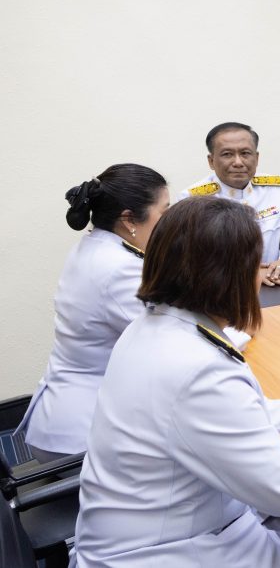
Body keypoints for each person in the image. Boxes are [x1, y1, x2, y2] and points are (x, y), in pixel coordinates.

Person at [71, 196, 280, 567]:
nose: (262, 275)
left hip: (153, 530)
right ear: (231, 276)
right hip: (166, 553)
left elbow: (223, 414)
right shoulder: (198, 368)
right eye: (256, 265)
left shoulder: (151, 328)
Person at [17, 164, 170, 462]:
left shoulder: (97, 247)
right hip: (82, 439)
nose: (170, 223)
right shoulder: (118, 268)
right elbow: (172, 341)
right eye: (164, 213)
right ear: (129, 219)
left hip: (63, 419)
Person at [181, 122, 280, 287]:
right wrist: (250, 274)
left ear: (256, 158)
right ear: (211, 161)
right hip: (220, 291)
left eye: (245, 153)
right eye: (227, 154)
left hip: (275, 284)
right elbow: (191, 259)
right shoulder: (192, 199)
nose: (238, 162)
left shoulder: (276, 189)